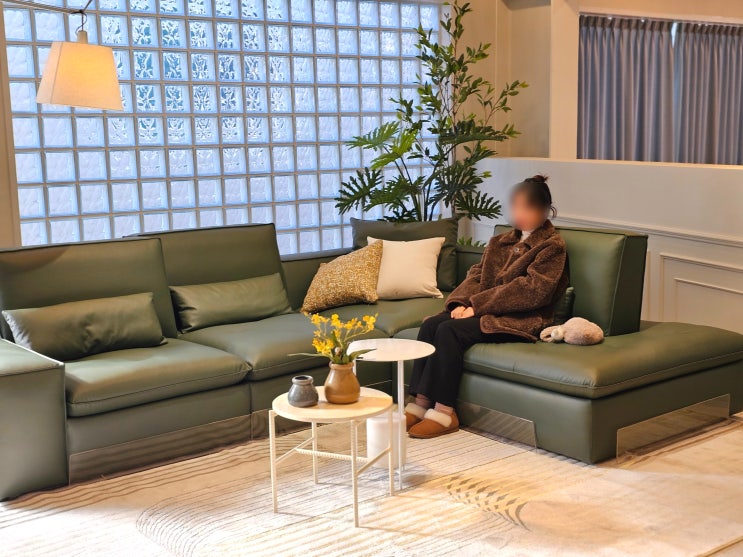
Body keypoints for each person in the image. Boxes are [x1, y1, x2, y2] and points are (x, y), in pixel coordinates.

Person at [406, 175, 569, 439]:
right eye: (515, 207)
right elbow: (477, 275)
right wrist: (462, 302)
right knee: (432, 325)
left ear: (545, 210)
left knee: (449, 331)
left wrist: (476, 306)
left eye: (527, 208)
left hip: (522, 318)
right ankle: (421, 403)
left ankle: (445, 413)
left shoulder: (552, 247)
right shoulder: (499, 242)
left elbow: (531, 291)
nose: (519, 214)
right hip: (486, 309)